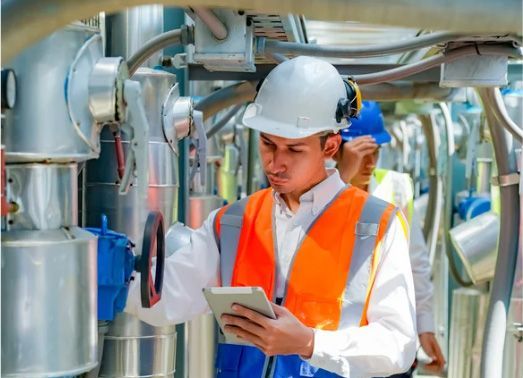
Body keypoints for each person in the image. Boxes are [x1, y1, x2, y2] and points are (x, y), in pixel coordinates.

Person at [125, 56, 417, 378]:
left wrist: (310, 343)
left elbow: (397, 344)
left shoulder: (376, 227)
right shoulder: (233, 222)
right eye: (267, 143)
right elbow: (165, 296)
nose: (275, 163)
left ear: (331, 146)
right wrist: (101, 273)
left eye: (294, 150)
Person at [333, 101, 446, 377]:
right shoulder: (317, 193)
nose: (371, 163)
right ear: (336, 150)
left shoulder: (392, 188)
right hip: (338, 336)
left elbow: (415, 262)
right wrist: (342, 178)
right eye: (362, 153)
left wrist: (424, 325)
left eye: (377, 152)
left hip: (386, 337)